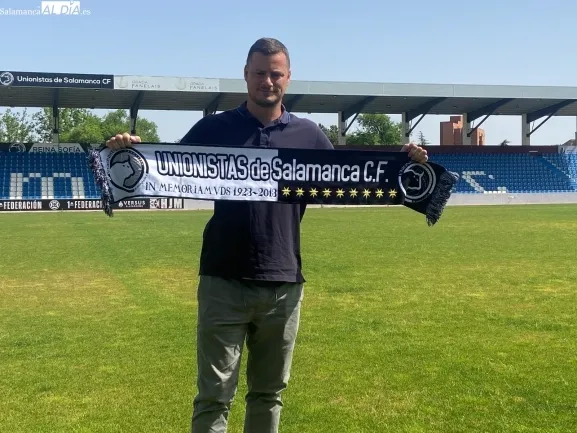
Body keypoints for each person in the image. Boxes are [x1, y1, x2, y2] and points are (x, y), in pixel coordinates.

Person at [106, 37, 428, 433]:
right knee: (213, 397)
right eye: (259, 73)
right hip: (223, 280)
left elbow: (351, 176)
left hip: (283, 285)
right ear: (246, 75)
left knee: (269, 394)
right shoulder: (214, 128)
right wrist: (127, 151)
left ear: (288, 78)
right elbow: (165, 167)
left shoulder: (309, 135)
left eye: (275, 74)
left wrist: (404, 163)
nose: (267, 81)